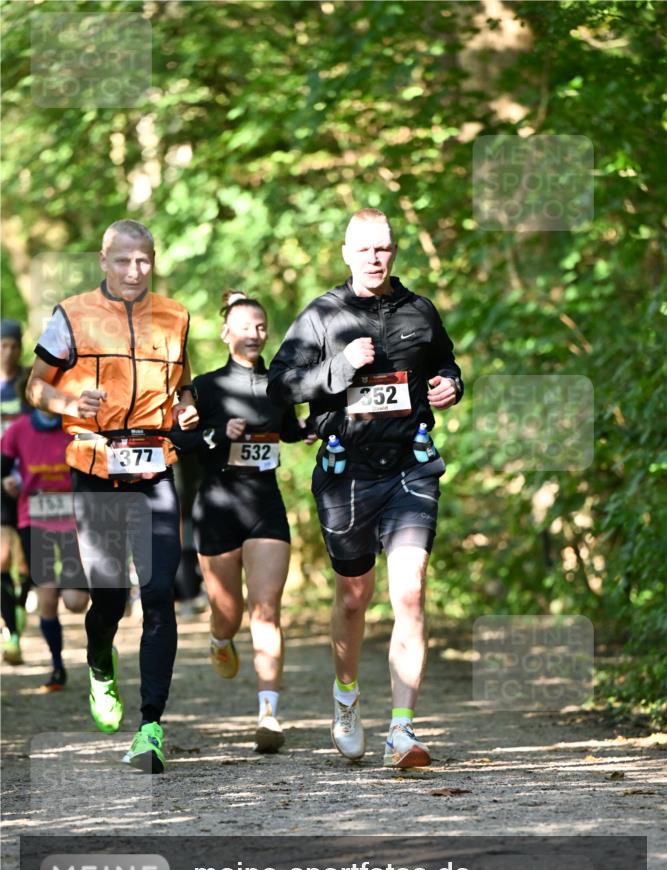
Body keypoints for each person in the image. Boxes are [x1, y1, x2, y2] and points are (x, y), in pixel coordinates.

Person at [267, 208, 463, 769]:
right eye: (365, 249)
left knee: (410, 590)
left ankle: (402, 730)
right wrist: (336, 368)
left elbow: (445, 362)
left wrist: (452, 384)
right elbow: (279, 386)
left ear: (393, 252)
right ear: (347, 252)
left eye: (384, 249)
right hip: (345, 472)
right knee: (354, 598)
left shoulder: (418, 310)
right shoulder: (322, 316)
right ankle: (347, 698)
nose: (375, 259)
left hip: (411, 467)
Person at [25, 219, 198, 773]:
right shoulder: (71, 314)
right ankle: (100, 660)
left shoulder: (175, 316)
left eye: (143, 261)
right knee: (110, 598)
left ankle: (151, 726)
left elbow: (183, 387)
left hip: (154, 468)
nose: (133, 271)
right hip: (95, 467)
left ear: (153, 260)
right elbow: (36, 386)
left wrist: (188, 409)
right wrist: (70, 406)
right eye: (122, 261)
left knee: (158, 593)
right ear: (103, 261)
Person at [172, 291, 315, 752]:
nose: (253, 334)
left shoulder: (279, 384)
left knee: (267, 611)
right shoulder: (208, 388)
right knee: (228, 614)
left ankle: (269, 714)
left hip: (265, 508)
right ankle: (218, 638)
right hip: (216, 511)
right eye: (244, 326)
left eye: (260, 326)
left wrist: (315, 429)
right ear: (225, 333)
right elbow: (182, 443)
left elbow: (289, 430)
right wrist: (216, 432)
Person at [1, 408, 89, 690]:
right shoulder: (19, 429)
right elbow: (3, 467)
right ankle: (57, 667)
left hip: (73, 521)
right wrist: (8, 481)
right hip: (34, 520)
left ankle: (99, 651)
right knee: (47, 598)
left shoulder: (75, 426)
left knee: (76, 603)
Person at [1, 320, 32, 664]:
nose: (8, 352)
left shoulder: (29, 384)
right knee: (2, 558)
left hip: (32, 482)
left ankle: (20, 611)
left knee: (28, 564)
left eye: (13, 345)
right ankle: (12, 633)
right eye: (2, 345)